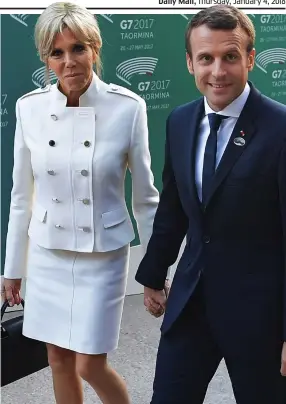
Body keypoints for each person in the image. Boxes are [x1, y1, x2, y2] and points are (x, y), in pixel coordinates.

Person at [2, 2, 159, 403]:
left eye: (78, 48)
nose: (69, 61)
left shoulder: (127, 108)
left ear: (95, 49)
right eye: (57, 52)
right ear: (46, 58)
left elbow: (145, 197)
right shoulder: (29, 108)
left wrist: (156, 271)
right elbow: (22, 195)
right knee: (56, 359)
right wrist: (13, 269)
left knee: (90, 363)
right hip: (47, 250)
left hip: (102, 253)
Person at [135, 5, 286, 404]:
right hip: (191, 303)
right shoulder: (180, 121)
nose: (217, 71)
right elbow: (173, 206)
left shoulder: (281, 129)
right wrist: (153, 273)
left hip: (260, 315)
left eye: (230, 56)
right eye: (206, 58)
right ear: (189, 62)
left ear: (250, 58)